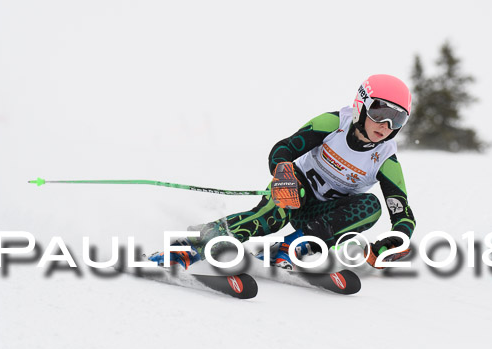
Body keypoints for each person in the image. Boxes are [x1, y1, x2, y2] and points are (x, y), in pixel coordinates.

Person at [150, 74, 416, 270]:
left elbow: (402, 214)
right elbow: (283, 150)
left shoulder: (386, 160)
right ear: (361, 105)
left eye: (398, 118)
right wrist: (284, 176)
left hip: (321, 219)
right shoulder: (334, 123)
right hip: (293, 190)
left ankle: (292, 246)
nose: (387, 125)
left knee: (370, 206)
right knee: (270, 218)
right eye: (380, 111)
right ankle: (194, 245)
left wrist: (396, 239)